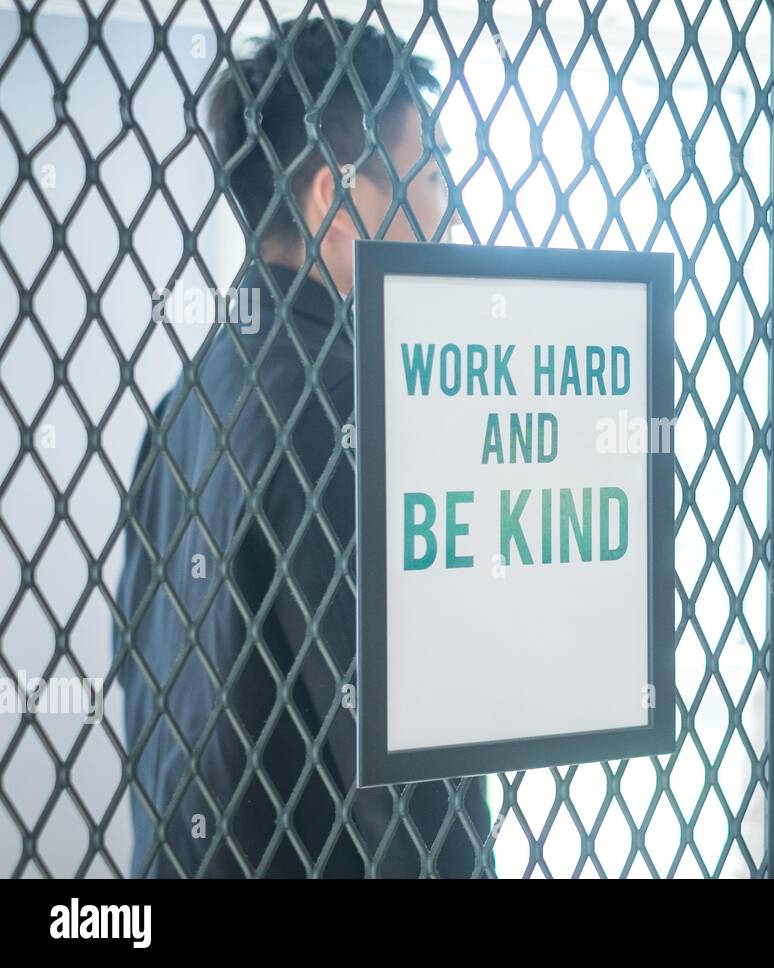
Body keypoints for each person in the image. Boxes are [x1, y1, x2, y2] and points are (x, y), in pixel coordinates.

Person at [114, 16, 492, 877]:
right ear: (336, 196)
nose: (448, 205)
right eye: (429, 174)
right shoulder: (352, 407)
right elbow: (409, 779)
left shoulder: (185, 403)